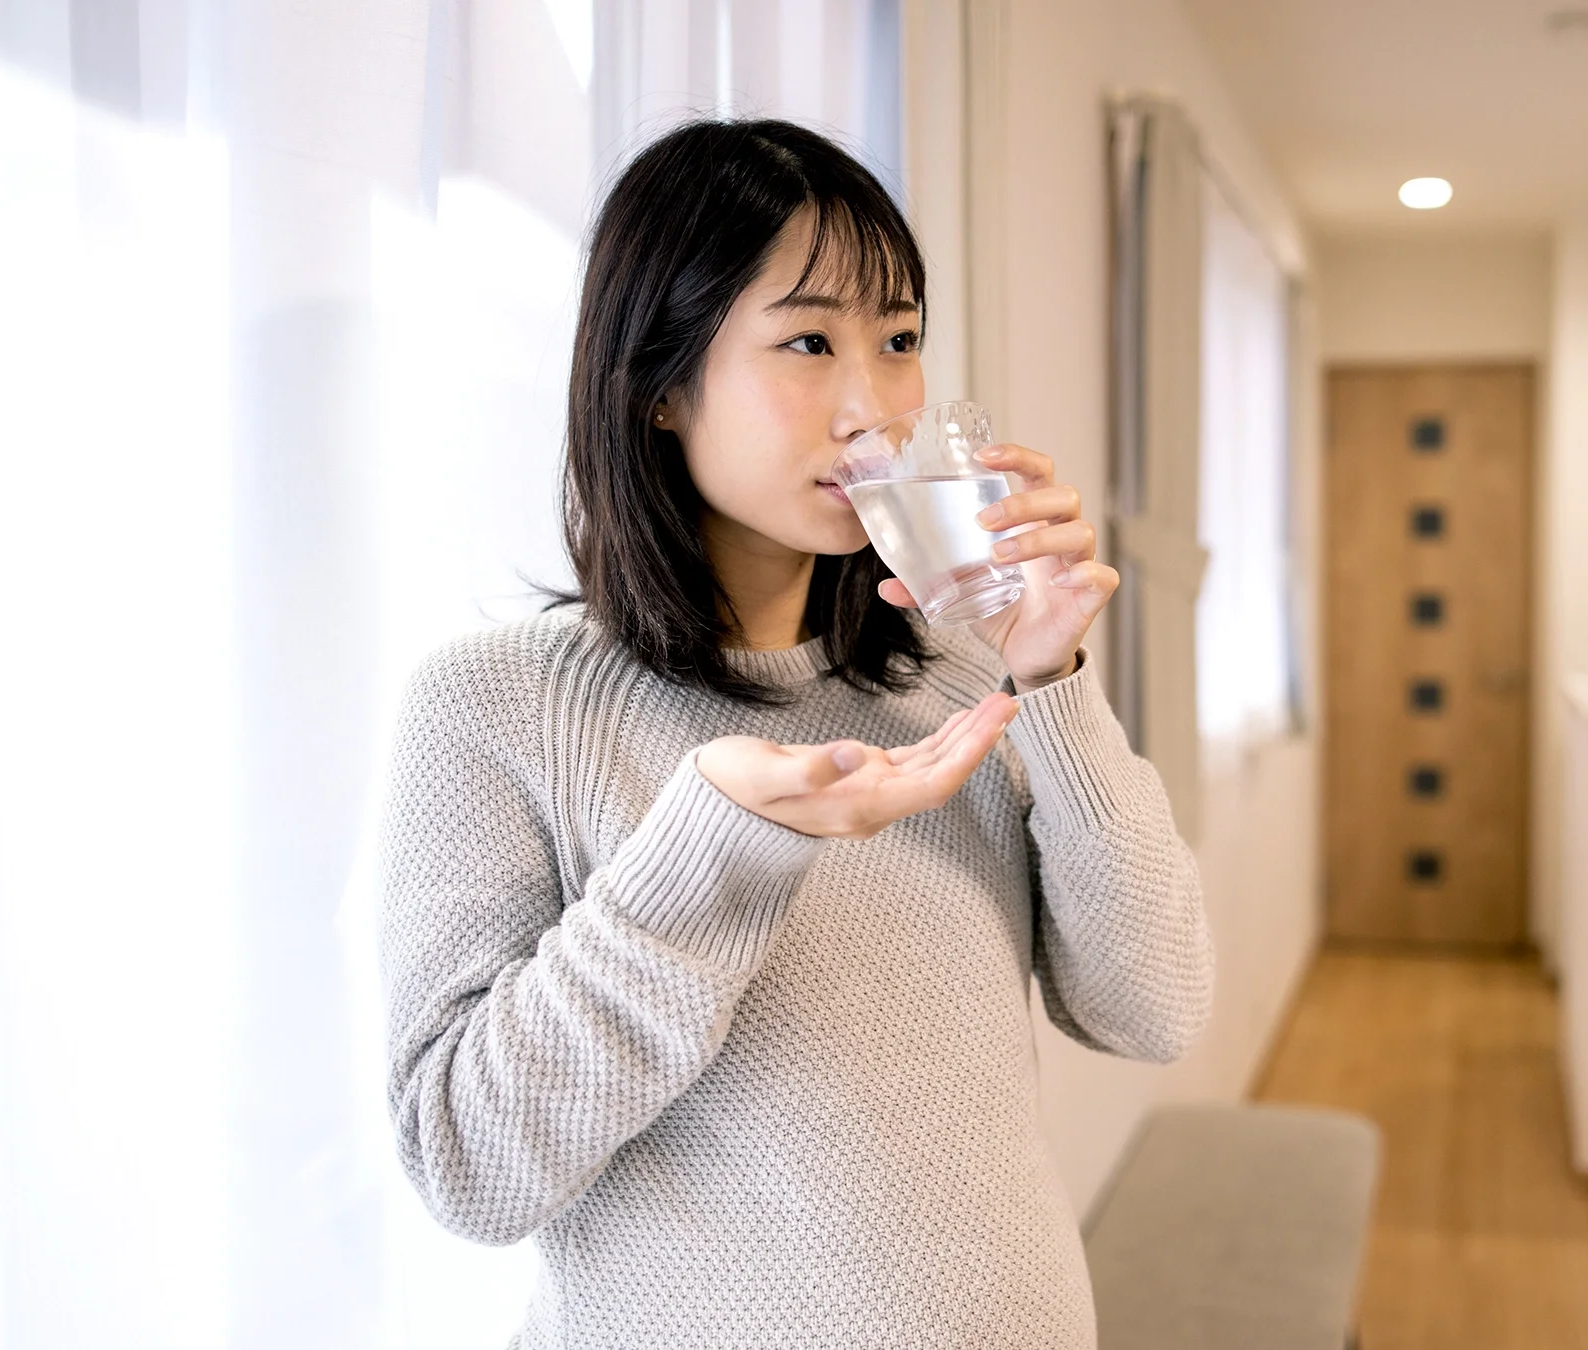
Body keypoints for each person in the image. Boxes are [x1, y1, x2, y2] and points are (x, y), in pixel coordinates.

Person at [375, 118, 1214, 1348]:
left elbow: (1156, 1008)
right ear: (660, 385)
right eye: (810, 341)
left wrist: (1057, 682)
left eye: (901, 339)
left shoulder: (968, 672)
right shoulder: (489, 709)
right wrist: (711, 844)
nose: (871, 406)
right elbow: (469, 1164)